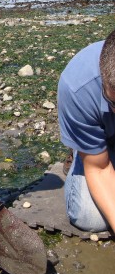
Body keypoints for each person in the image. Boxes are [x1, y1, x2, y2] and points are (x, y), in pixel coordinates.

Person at [58, 29, 115, 234]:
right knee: (90, 218)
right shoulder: (78, 88)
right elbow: (99, 169)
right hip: (103, 139)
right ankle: (80, 151)